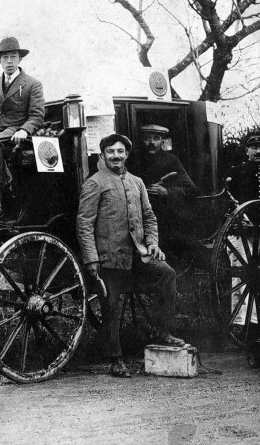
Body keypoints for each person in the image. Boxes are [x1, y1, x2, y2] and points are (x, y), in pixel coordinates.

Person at [77, 134, 185, 378]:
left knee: (166, 274)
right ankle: (115, 359)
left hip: (137, 256)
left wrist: (153, 243)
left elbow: (149, 217)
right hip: (109, 259)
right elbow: (84, 224)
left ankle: (161, 331)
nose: (116, 156)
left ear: (127, 154)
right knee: (111, 304)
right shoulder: (94, 183)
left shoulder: (137, 182)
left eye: (120, 151)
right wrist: (91, 259)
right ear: (103, 155)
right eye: (111, 152)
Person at [0, 36, 45, 219]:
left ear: (20, 59)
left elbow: (37, 115)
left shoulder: (32, 84)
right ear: (0, 61)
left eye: (13, 56)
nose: (9, 61)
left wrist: (24, 130)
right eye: (5, 57)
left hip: (16, 129)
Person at [224, 134, 260, 366]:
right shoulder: (236, 172)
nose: (258, 151)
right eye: (254, 147)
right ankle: (245, 328)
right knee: (243, 278)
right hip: (242, 234)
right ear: (246, 150)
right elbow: (228, 200)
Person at [133, 124, 197, 248]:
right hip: (140, 218)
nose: (151, 142)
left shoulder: (172, 160)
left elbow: (191, 190)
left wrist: (166, 192)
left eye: (156, 138)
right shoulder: (134, 160)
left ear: (162, 142)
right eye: (147, 138)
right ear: (141, 140)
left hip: (165, 219)